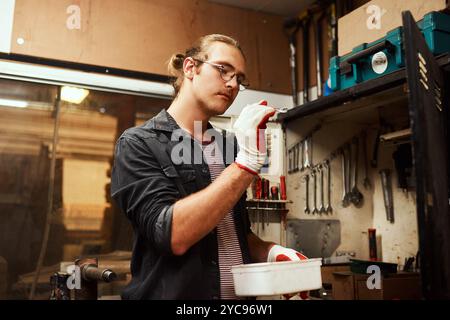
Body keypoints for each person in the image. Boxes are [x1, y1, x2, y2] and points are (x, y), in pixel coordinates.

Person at [111, 34, 307, 300]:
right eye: (223, 70)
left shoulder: (228, 146)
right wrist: (245, 165)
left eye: (239, 78)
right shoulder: (139, 144)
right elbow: (172, 235)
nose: (232, 84)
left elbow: (232, 233)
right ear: (191, 68)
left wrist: (270, 251)